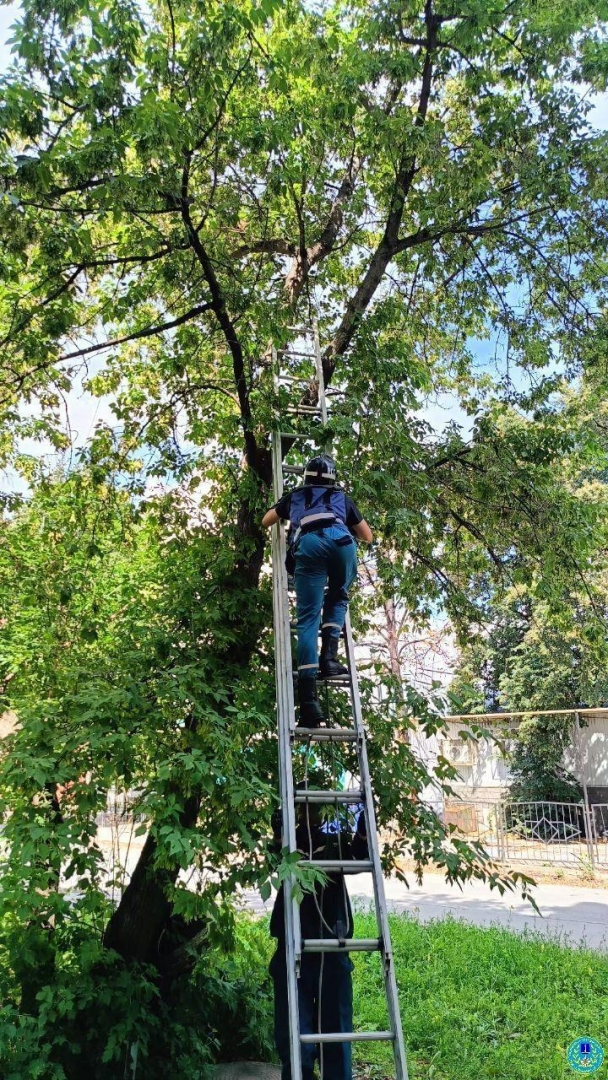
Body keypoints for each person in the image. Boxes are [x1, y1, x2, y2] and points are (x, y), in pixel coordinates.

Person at [262, 454, 373, 727]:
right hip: (343, 543)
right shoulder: (342, 499)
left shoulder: (294, 497)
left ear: (306, 477)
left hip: (309, 546)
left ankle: (310, 705)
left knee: (308, 620)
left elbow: (265, 520)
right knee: (338, 596)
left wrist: (287, 515)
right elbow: (367, 536)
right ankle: (330, 659)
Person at [269, 793, 368, 1080]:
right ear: (297, 810)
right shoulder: (291, 843)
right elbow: (274, 866)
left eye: (316, 807)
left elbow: (359, 858)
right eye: (305, 807)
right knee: (294, 1031)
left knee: (335, 1030)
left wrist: (363, 828)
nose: (311, 813)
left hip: (332, 944)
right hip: (292, 943)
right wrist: (278, 836)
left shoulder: (334, 842)